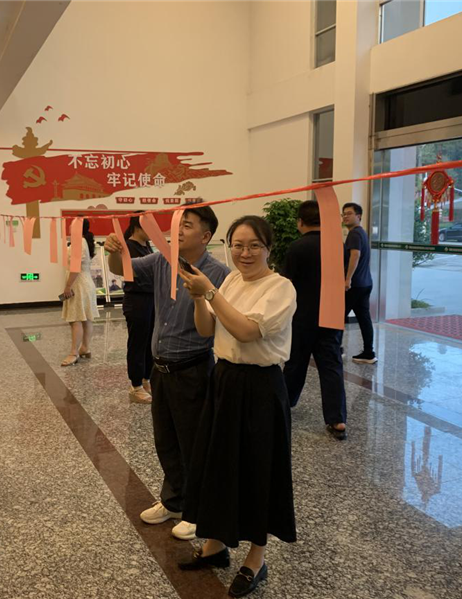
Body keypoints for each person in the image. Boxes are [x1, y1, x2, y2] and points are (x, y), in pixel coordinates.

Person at [177, 215, 296, 598]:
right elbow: (206, 329)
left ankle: (256, 559)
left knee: (258, 471)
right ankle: (215, 545)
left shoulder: (280, 288)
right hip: (224, 379)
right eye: (238, 245)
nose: (245, 253)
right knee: (218, 464)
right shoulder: (230, 281)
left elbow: (246, 331)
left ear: (268, 248)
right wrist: (200, 298)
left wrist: (210, 293)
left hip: (260, 387)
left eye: (254, 245)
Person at [104, 206, 229, 541]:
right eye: (177, 224)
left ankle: (198, 511)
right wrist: (114, 250)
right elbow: (122, 268)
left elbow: (217, 325)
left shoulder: (218, 273)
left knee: (194, 444)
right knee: (167, 441)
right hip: (160, 368)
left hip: (193, 369)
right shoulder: (162, 261)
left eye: (187, 225)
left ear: (205, 236)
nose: (178, 230)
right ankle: (174, 502)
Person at [282, 200, 348, 440]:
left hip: (302, 316)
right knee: (331, 366)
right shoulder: (337, 246)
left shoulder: (296, 248)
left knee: (295, 363)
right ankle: (337, 420)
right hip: (331, 314)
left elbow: (286, 283)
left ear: (300, 222)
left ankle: (285, 404)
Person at [121, 215, 155, 404]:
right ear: (137, 227)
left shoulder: (147, 246)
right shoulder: (128, 246)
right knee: (137, 343)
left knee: (150, 342)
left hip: (151, 299)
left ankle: (145, 379)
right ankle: (135, 386)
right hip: (137, 300)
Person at [60, 219, 99, 366]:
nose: (70, 226)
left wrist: (68, 286)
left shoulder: (78, 242)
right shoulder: (83, 241)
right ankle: (85, 348)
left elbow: (75, 268)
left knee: (75, 319)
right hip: (85, 282)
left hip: (78, 284)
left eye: (72, 225)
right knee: (86, 318)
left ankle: (74, 353)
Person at [342, 202, 376, 363]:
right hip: (365, 283)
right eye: (344, 214)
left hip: (354, 284)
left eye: (349, 213)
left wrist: (347, 279)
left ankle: (336, 349)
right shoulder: (361, 232)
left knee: (338, 316)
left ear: (359, 216)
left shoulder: (354, 234)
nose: (345, 217)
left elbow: (355, 256)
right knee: (364, 318)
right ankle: (369, 352)